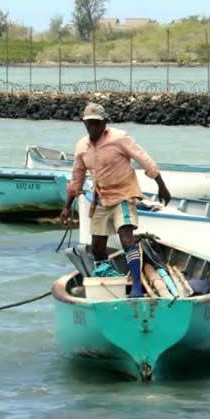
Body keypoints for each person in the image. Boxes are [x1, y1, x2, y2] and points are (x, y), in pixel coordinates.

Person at [60, 102, 171, 297]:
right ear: (84, 124)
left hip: (124, 195)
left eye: (96, 123)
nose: (92, 127)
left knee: (126, 237)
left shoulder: (119, 138)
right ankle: (105, 277)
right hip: (101, 198)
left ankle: (136, 285)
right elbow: (77, 177)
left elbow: (143, 159)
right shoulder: (82, 147)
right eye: (89, 123)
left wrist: (161, 185)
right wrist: (67, 207)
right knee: (97, 247)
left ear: (104, 123)